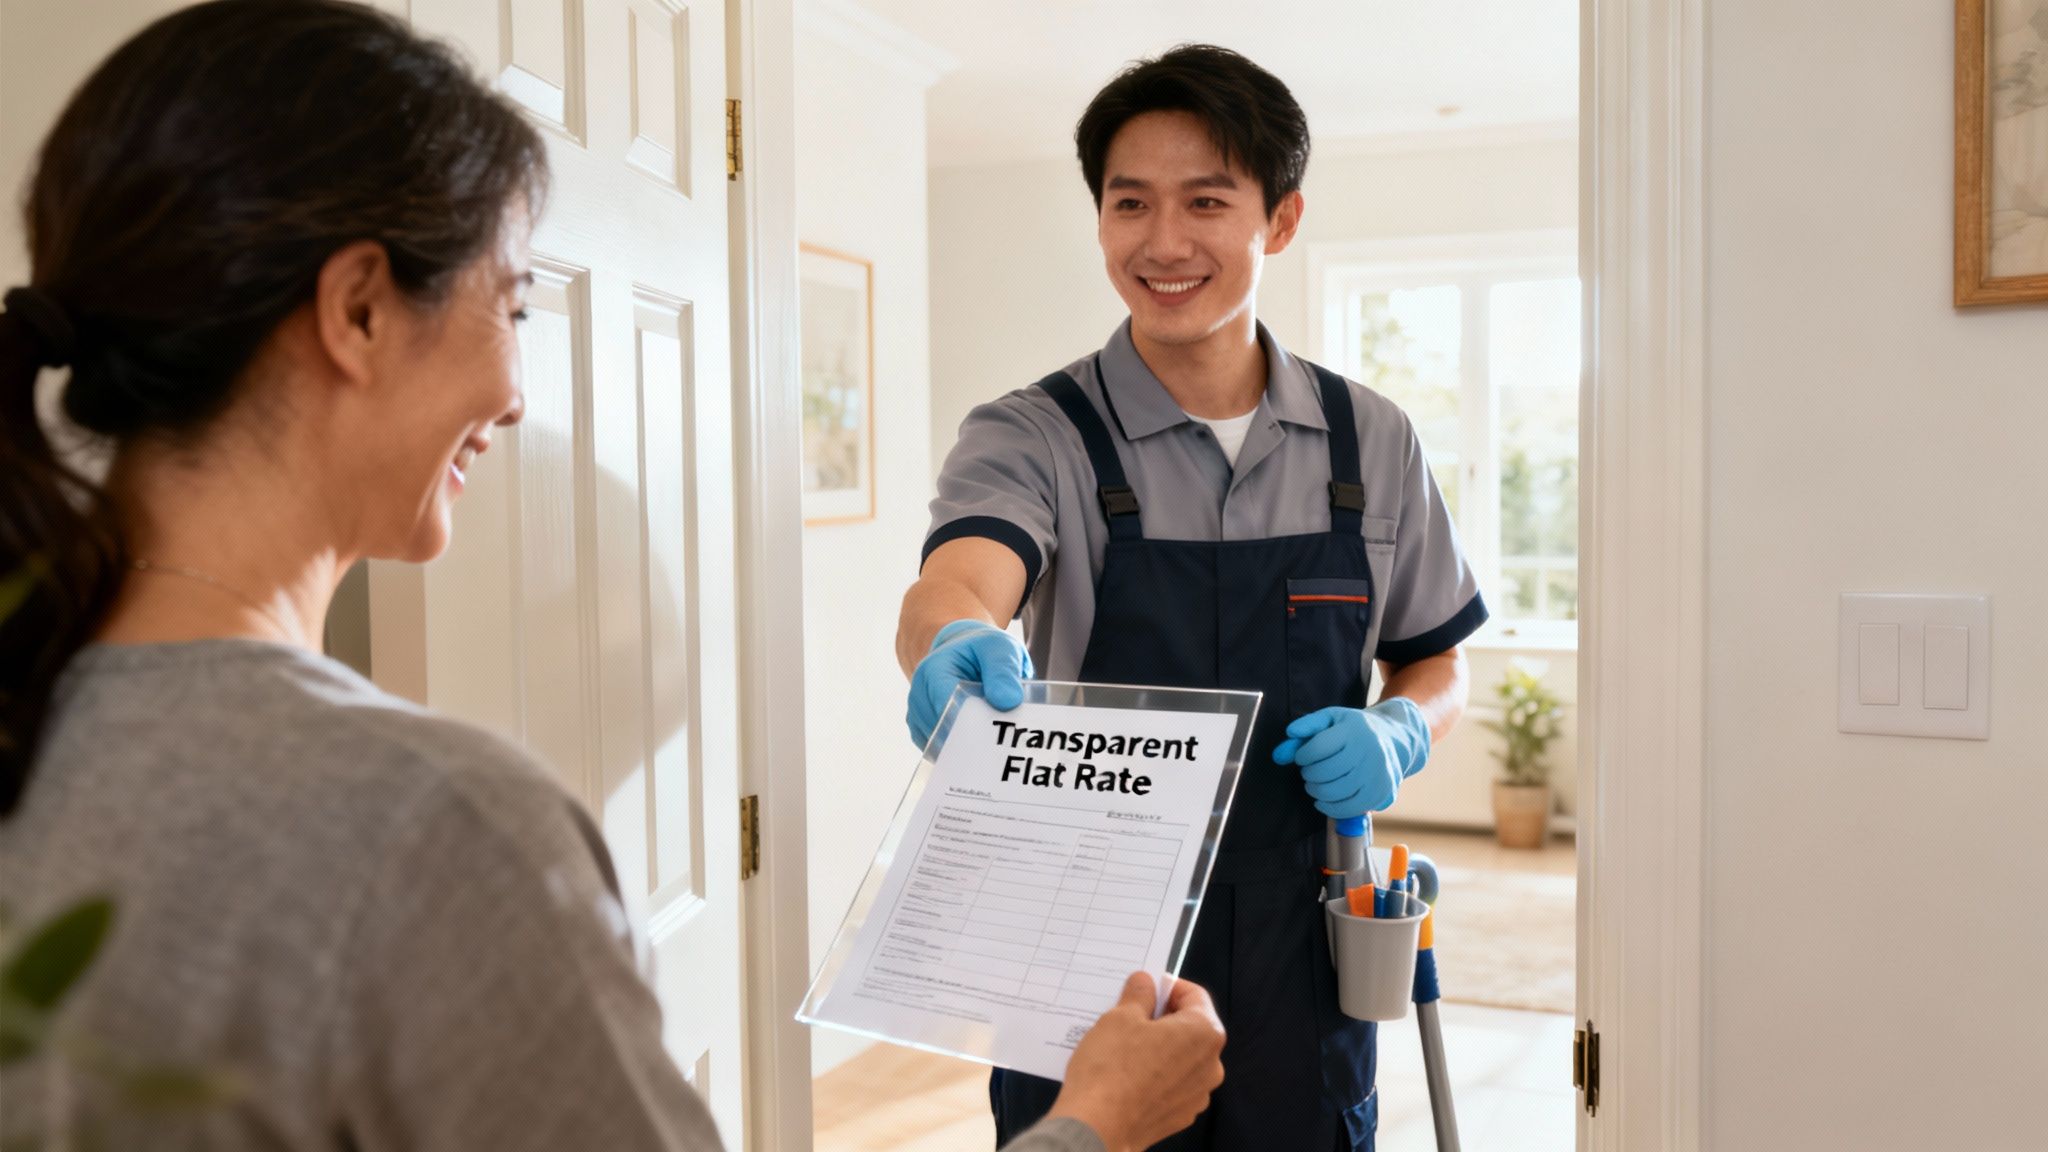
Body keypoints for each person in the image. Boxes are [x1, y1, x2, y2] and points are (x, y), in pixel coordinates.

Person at [0, 4, 1224, 1150]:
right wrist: (1094, 1124)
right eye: (513, 300)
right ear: (360, 310)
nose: (516, 392)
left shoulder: (37, 719)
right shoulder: (441, 825)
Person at [900, 44, 1488, 1152]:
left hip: (1300, 936)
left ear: (1279, 219)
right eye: (1131, 205)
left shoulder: (1372, 440)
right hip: (1087, 951)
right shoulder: (1034, 434)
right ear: (1100, 221)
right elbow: (961, 576)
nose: (1162, 243)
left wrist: (1402, 728)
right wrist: (948, 641)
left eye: (1205, 202)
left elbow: (1436, 655)